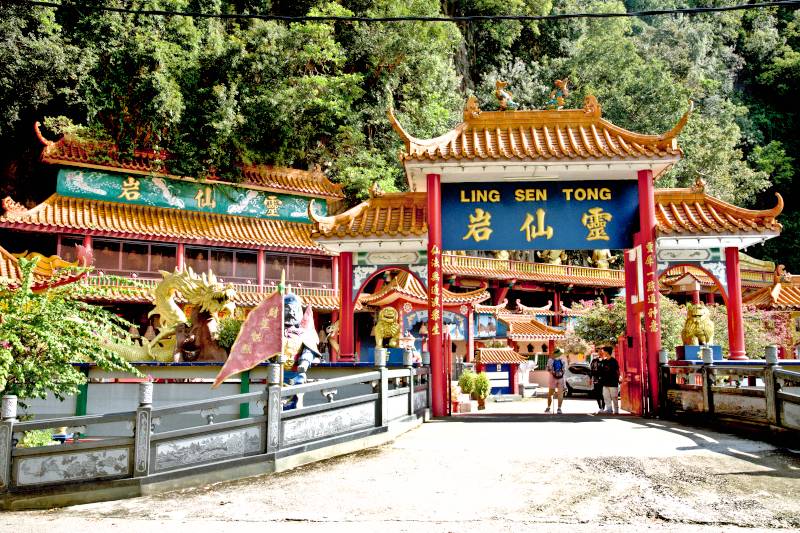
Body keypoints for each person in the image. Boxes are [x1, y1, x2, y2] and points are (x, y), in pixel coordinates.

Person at [598, 345, 620, 414]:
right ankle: (609, 409)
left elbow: (617, 371)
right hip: (605, 382)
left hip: (613, 382)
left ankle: (616, 410)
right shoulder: (604, 361)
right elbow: (601, 371)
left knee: (614, 397)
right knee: (606, 396)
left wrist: (618, 379)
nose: (602, 352)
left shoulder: (614, 361)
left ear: (607, 352)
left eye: (603, 351)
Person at [545, 348, 568, 414]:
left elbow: (548, 369)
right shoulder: (563, 360)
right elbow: (564, 370)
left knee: (550, 393)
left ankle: (548, 407)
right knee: (560, 394)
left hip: (552, 378)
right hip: (561, 378)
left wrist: (553, 372)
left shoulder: (550, 360)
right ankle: (559, 409)